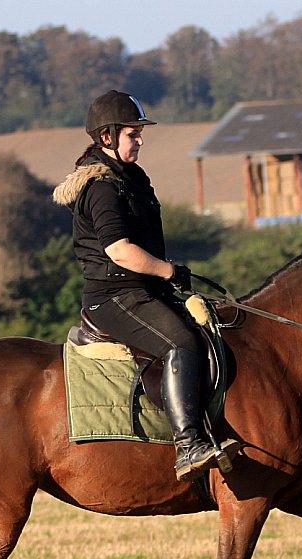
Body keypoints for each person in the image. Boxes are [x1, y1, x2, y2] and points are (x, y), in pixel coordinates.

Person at [52, 90, 217, 481]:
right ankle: (188, 445)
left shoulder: (132, 177)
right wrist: (168, 271)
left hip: (142, 292)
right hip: (113, 297)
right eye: (132, 133)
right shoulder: (101, 188)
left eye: (140, 133)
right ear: (106, 136)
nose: (140, 139)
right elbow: (120, 251)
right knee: (181, 343)